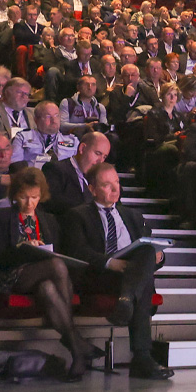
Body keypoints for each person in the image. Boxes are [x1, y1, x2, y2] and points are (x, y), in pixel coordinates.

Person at [0, 167, 100, 381]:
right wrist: (21, 249)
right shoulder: (1, 216)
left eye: (35, 197)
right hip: (10, 276)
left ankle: (76, 352)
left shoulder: (50, 220)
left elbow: (58, 252)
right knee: (56, 265)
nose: (29, 203)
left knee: (48, 287)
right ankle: (76, 340)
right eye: (24, 197)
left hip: (43, 278)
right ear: (15, 195)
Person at [62, 162, 174, 380]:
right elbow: (77, 251)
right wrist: (110, 263)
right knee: (143, 283)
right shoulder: (77, 215)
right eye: (107, 185)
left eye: (117, 182)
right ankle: (142, 358)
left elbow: (149, 253)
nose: (115, 189)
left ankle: (126, 299)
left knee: (147, 250)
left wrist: (159, 256)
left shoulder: (133, 215)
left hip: (129, 276)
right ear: (92, 189)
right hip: (99, 276)